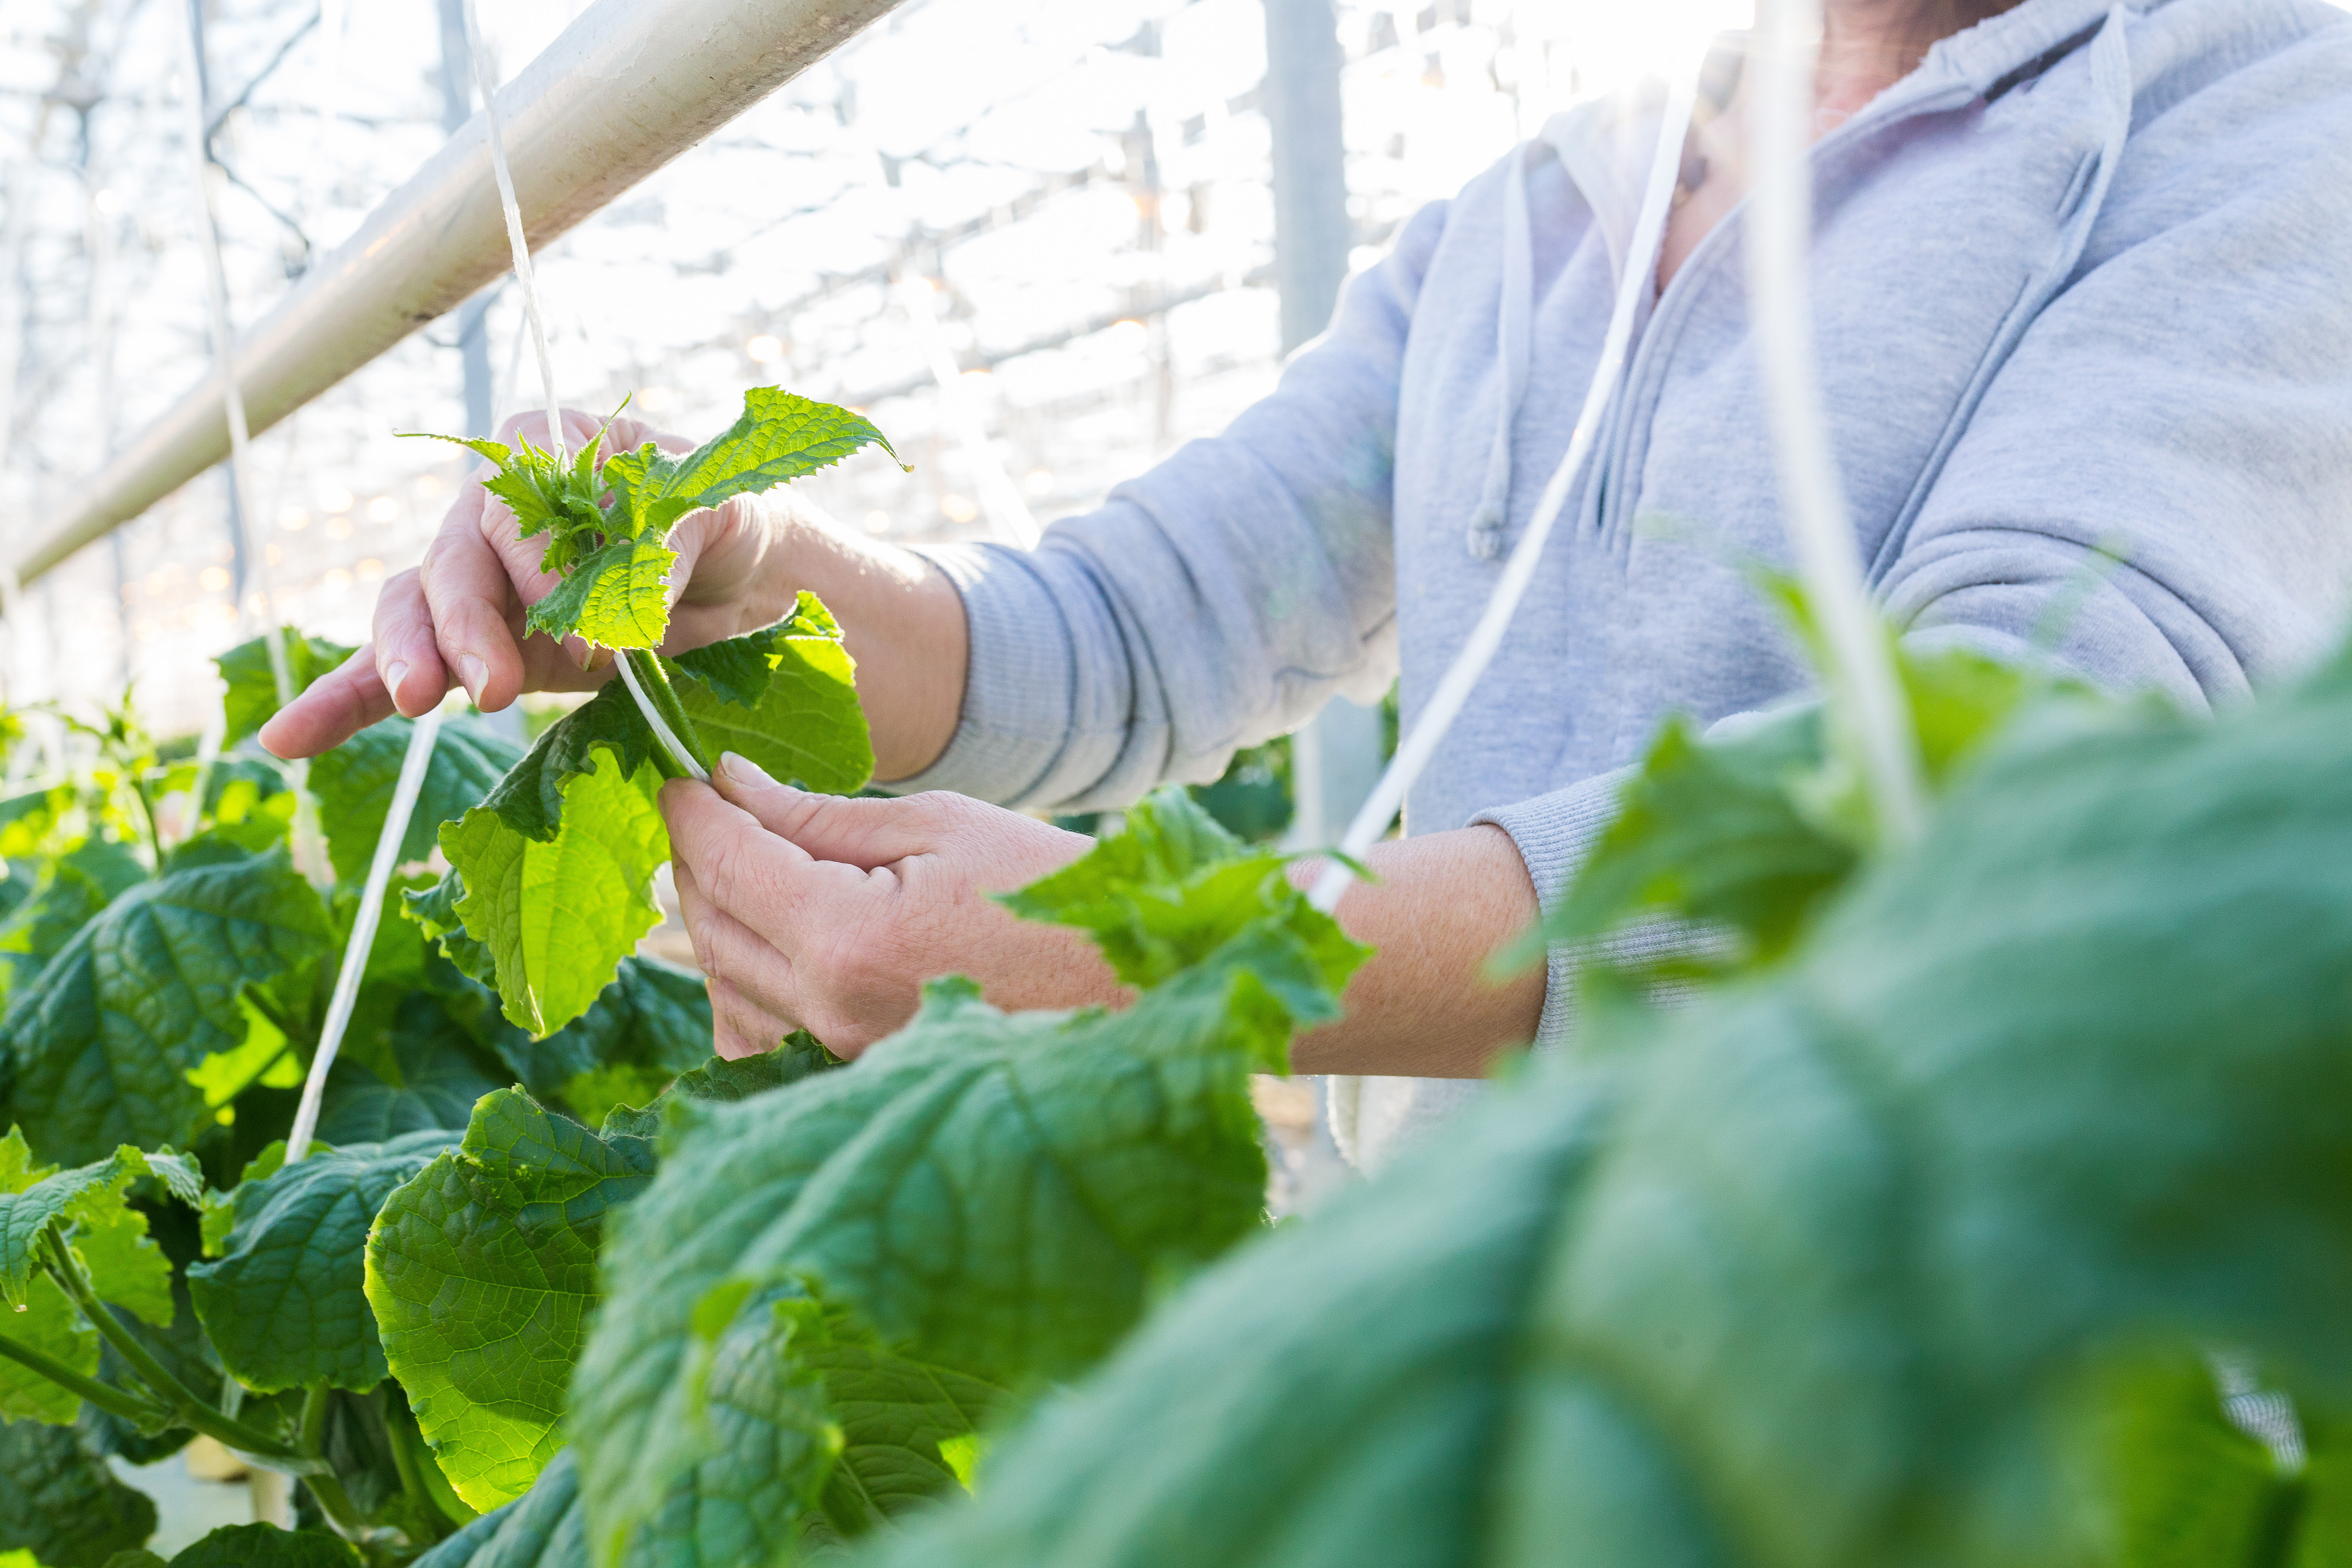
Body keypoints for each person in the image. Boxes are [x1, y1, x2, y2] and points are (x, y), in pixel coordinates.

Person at [264, 0, 2352, 1170]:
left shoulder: (2262, 101)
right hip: (1483, 1368)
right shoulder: (1536, 216)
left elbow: (2017, 776)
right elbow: (1119, 633)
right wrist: (731, 560)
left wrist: (1186, 962)